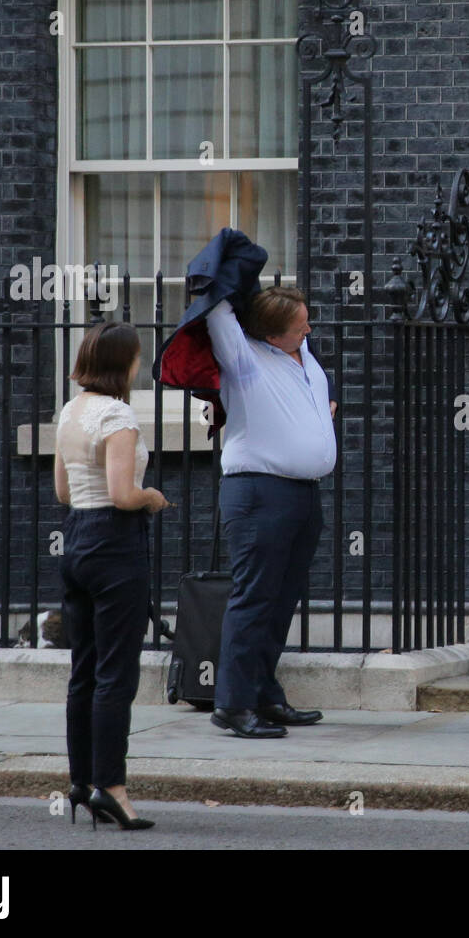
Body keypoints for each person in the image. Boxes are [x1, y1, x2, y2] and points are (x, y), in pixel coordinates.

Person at [206, 285, 337, 739]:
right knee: (255, 598)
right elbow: (218, 314)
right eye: (301, 325)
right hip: (259, 491)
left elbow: (320, 387)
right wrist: (227, 275)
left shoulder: (302, 356)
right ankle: (233, 704)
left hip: (303, 493)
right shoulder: (245, 362)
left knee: (282, 600)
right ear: (272, 333)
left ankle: (264, 694)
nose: (309, 328)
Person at [55, 322, 170, 830]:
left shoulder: (71, 410)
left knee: (84, 669)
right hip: (115, 543)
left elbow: (63, 491)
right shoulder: (117, 414)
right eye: (135, 359)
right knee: (115, 674)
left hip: (77, 536)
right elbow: (124, 494)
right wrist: (154, 498)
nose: (138, 367)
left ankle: (81, 782)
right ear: (122, 364)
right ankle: (112, 787)